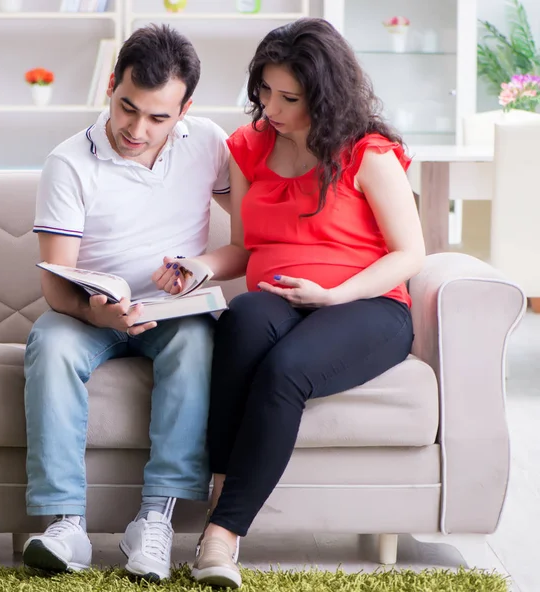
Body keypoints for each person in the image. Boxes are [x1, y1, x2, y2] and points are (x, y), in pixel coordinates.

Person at [152, 17, 425, 588]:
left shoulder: (367, 153)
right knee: (243, 320)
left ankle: (222, 537)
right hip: (279, 297)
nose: (271, 107)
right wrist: (201, 266)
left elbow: (408, 254)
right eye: (264, 91)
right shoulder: (249, 148)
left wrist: (333, 295)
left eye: (289, 97)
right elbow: (245, 247)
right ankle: (224, 486)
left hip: (368, 304)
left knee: (284, 371)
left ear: (324, 96)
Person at [22, 24, 230, 580]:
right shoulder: (67, 163)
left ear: (186, 108)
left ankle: (154, 521)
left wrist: (202, 270)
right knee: (49, 342)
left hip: (171, 313)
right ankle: (67, 526)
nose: (137, 129)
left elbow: (254, 232)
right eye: (127, 107)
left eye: (159, 117)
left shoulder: (210, 143)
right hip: (90, 313)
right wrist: (97, 312)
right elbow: (56, 283)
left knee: (197, 338)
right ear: (111, 86)